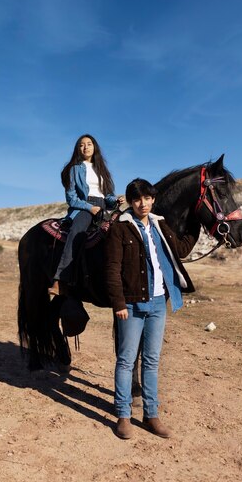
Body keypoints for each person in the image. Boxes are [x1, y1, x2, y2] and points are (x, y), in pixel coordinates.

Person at [105, 178, 198, 439]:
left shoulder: (159, 224)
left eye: (146, 198)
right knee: (125, 361)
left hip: (158, 303)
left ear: (153, 199)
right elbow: (112, 269)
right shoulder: (120, 228)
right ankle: (123, 415)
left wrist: (196, 225)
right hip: (131, 305)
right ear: (131, 201)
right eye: (137, 199)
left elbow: (179, 249)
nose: (142, 203)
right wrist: (119, 303)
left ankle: (151, 415)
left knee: (152, 361)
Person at [49, 135, 124, 296]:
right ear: (78, 149)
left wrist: (116, 200)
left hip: (104, 208)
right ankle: (60, 279)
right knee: (77, 233)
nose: (86, 147)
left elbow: (108, 197)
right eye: (82, 145)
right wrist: (90, 208)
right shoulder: (74, 169)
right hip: (85, 207)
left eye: (89, 144)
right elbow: (71, 198)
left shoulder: (102, 170)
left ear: (94, 147)